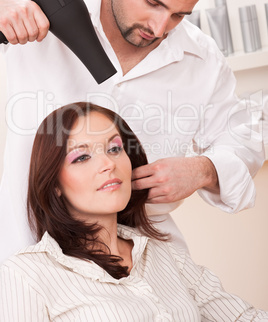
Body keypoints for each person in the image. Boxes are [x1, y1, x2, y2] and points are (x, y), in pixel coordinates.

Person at [0, 0, 264, 263]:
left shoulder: (201, 60)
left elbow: (245, 137)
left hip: (144, 262)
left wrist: (204, 169)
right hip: (29, 253)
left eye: (178, 15)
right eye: (152, 2)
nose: (158, 28)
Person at [0, 101, 267, 321]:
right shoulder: (25, 274)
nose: (108, 163)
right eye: (81, 157)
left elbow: (244, 317)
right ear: (54, 184)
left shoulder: (165, 254)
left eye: (115, 149)